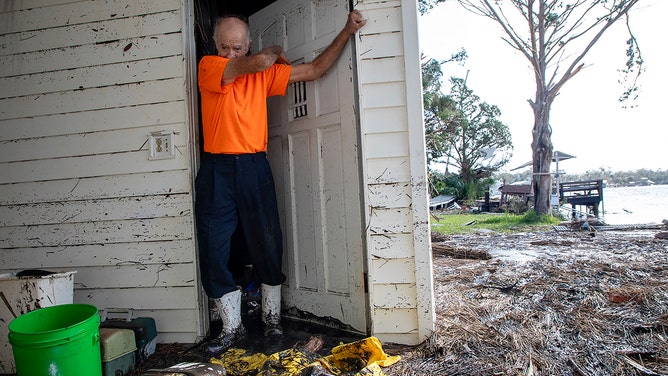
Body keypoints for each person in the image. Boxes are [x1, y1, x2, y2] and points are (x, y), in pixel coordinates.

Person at [196, 9, 367, 353]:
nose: (232, 54)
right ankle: (232, 328)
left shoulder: (262, 73)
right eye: (226, 47)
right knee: (214, 247)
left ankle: (271, 321)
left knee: (267, 241)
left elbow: (316, 70)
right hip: (217, 168)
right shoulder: (209, 67)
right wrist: (273, 50)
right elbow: (257, 63)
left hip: (254, 166)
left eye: (238, 48)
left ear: (247, 45)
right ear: (216, 46)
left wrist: (348, 31)